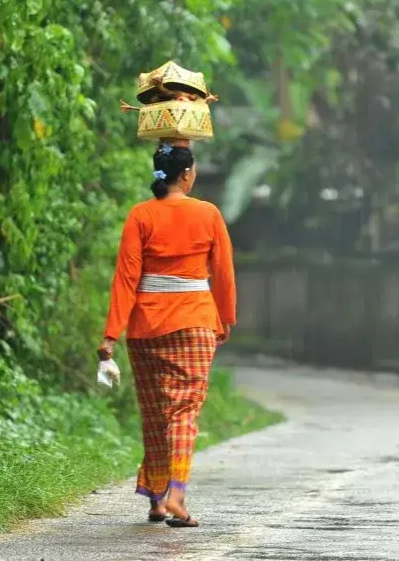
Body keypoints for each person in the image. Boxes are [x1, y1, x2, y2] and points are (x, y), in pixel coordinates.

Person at [97, 141, 236, 529]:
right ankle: (176, 494)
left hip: (145, 326)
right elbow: (222, 272)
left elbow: (126, 277)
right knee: (183, 412)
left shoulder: (140, 215)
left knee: (156, 412)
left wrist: (110, 334)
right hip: (194, 322)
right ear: (187, 174)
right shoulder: (208, 213)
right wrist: (224, 317)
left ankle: (157, 499)